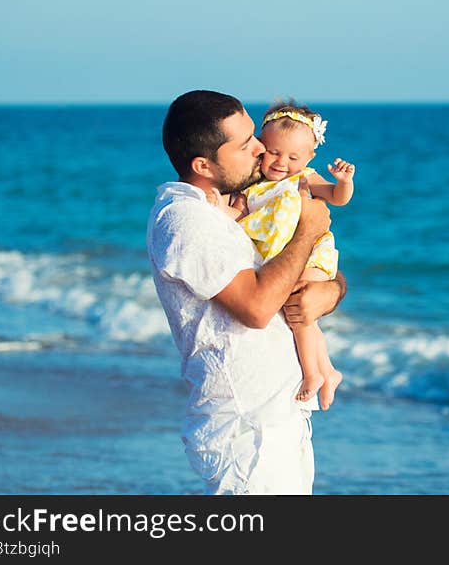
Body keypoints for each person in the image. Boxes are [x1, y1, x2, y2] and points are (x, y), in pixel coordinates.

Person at [146, 90, 346, 495]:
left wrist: (331, 291)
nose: (261, 150)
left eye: (255, 135)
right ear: (203, 164)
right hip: (245, 432)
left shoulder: (238, 201)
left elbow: (288, 268)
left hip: (277, 416)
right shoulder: (186, 220)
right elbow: (256, 307)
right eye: (244, 144)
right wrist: (308, 229)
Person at [208, 102, 354, 411]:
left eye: (293, 157)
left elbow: (337, 199)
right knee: (303, 313)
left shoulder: (304, 179)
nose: (281, 163)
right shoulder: (252, 187)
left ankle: (314, 374)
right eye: (273, 152)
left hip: (313, 254)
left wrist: (344, 182)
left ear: (309, 158)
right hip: (284, 259)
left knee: (300, 310)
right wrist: (220, 209)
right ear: (261, 145)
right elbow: (238, 215)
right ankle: (327, 370)